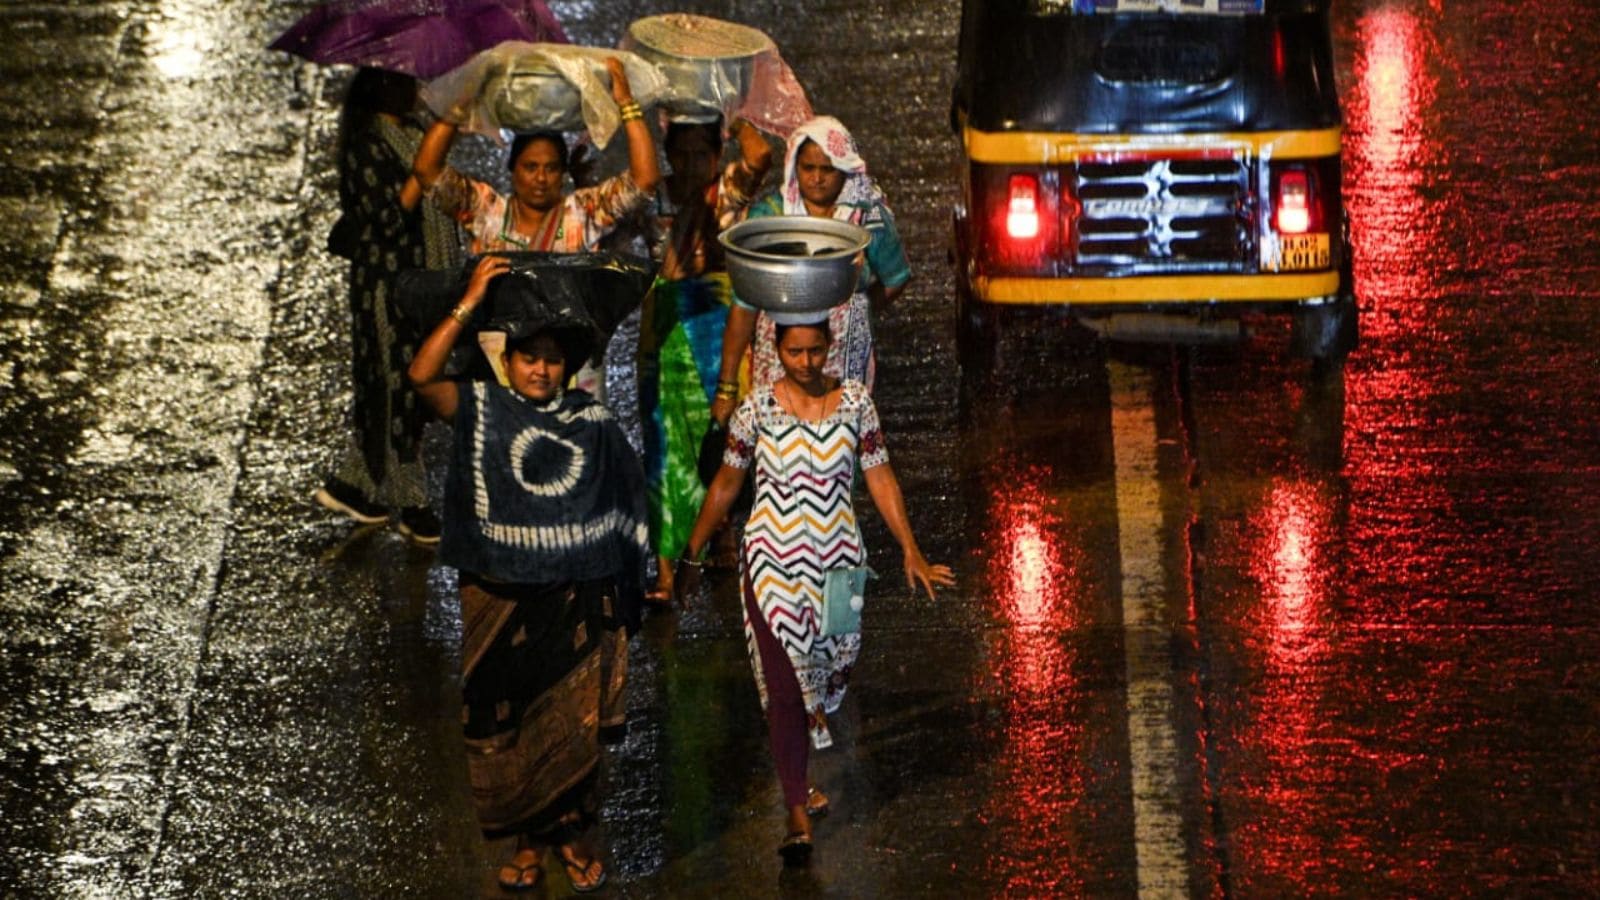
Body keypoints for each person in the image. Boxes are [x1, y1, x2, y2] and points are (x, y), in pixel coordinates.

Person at [407, 256, 649, 893]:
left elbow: (623, 506)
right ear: (506, 360)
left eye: (551, 360)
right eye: (528, 357)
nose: (540, 370)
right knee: (508, 727)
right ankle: (527, 845)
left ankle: (571, 838)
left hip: (570, 596)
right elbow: (421, 374)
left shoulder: (592, 423)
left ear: (567, 367)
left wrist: (625, 591)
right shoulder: (480, 406)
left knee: (572, 723)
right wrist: (469, 300)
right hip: (497, 598)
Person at [674, 318, 953, 865]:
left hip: (841, 567)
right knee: (785, 687)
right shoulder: (755, 409)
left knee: (826, 678)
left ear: (829, 347)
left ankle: (799, 768)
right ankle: (796, 811)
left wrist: (910, 548)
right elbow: (728, 482)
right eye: (794, 351)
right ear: (775, 349)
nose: (805, 362)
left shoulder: (856, 404)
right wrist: (693, 550)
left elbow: (879, 476)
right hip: (772, 564)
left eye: (815, 351)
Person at [412, 57, 660, 398]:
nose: (541, 178)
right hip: (498, 367)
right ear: (513, 169)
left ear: (563, 173)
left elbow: (645, 181)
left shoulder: (583, 212)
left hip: (570, 370)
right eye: (530, 167)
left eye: (551, 168)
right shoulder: (487, 211)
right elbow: (426, 170)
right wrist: (462, 101)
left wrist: (626, 104)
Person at [313, 67, 461, 544]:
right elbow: (388, 220)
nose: (414, 87)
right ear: (379, 87)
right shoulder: (367, 144)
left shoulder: (414, 129)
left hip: (425, 282)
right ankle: (411, 503)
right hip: (386, 286)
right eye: (401, 81)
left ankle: (356, 487)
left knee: (410, 387)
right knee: (398, 391)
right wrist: (423, 166)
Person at [636, 118, 772, 604]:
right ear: (668, 153)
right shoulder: (654, 197)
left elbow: (760, 157)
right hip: (664, 327)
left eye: (702, 155)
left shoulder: (726, 192)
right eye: (682, 155)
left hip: (719, 327)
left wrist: (737, 118)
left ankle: (722, 533)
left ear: (717, 156)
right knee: (663, 443)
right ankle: (664, 569)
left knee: (722, 435)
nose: (692, 166)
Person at [710, 115, 911, 428]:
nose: (817, 179)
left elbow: (896, 277)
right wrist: (727, 386)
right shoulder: (770, 217)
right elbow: (745, 303)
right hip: (779, 354)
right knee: (779, 439)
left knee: (840, 438)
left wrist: (857, 311)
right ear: (794, 166)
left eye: (827, 170)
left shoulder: (868, 216)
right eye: (808, 168)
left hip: (844, 355)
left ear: (844, 169)